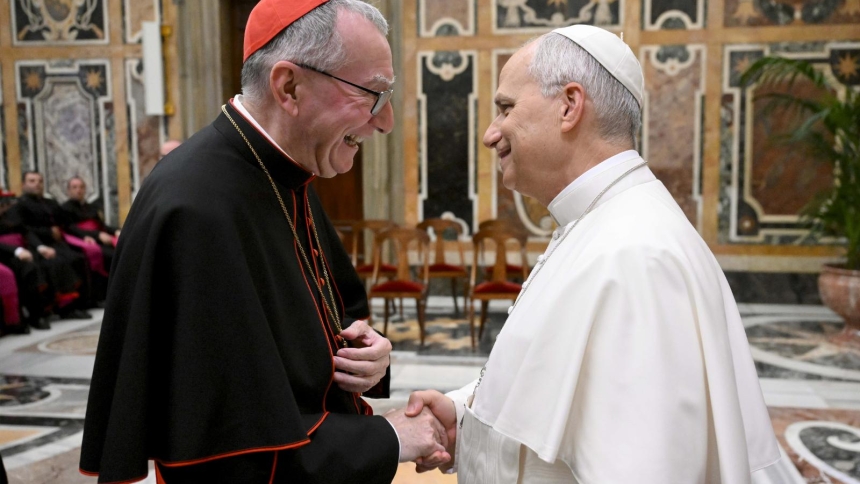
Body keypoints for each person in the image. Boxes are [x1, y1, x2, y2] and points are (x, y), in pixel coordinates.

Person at [80, 1, 447, 483]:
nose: (386, 121)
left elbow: (322, 323)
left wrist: (367, 356)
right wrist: (391, 437)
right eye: (372, 94)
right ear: (289, 87)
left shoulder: (286, 175)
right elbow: (232, 450)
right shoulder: (195, 209)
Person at [406, 25, 781, 483]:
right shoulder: (599, 224)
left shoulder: (637, 255)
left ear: (569, 106)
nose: (491, 133)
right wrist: (464, 417)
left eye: (505, 108)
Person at [5, 172, 92, 319]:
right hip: (35, 245)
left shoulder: (50, 202)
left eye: (40, 181)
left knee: (77, 258)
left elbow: (65, 222)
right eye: (32, 181)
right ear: (23, 185)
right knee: (57, 262)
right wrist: (47, 234)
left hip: (56, 243)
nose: (37, 184)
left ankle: (83, 303)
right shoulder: (19, 205)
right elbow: (24, 230)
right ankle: (65, 308)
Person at [60, 176, 117, 270]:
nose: (79, 190)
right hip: (82, 240)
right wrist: (97, 235)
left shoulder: (91, 207)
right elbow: (71, 229)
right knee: (112, 256)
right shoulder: (64, 208)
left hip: (99, 238)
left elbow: (101, 225)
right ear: (68, 191)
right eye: (74, 187)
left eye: (81, 187)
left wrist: (116, 231)